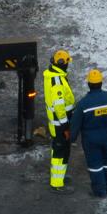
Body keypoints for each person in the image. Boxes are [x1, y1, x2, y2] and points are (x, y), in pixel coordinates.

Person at [69, 68, 107, 198]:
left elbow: (75, 124)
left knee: (95, 166)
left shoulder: (83, 104)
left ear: (89, 84)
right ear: (101, 83)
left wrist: (71, 139)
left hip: (91, 141)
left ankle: (100, 192)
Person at [42, 49, 75, 191]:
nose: (68, 65)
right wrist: (66, 125)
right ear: (62, 64)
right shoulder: (56, 81)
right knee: (61, 151)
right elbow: (59, 105)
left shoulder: (56, 75)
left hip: (58, 122)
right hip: (60, 123)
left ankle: (58, 177)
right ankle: (57, 184)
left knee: (58, 149)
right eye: (67, 63)